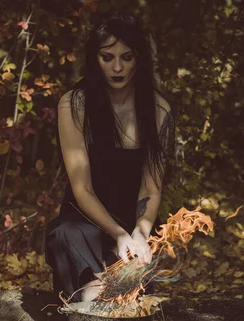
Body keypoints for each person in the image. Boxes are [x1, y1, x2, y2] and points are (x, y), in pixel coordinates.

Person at [44, 11, 174, 302]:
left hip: (133, 226)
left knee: (132, 293)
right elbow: (82, 188)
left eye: (127, 57)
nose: (118, 67)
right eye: (107, 57)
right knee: (69, 238)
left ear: (139, 59)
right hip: (83, 224)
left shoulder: (158, 110)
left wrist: (140, 234)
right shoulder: (74, 105)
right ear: (95, 59)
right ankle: (90, 292)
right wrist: (117, 234)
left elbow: (151, 188)